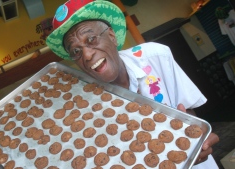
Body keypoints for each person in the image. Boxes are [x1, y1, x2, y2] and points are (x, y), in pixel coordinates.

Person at [46, 0, 219, 168]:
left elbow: (188, 111)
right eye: (76, 51)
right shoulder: (86, 107)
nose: (87, 55)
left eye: (91, 39)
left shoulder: (155, 56)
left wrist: (198, 140)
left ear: (112, 36)